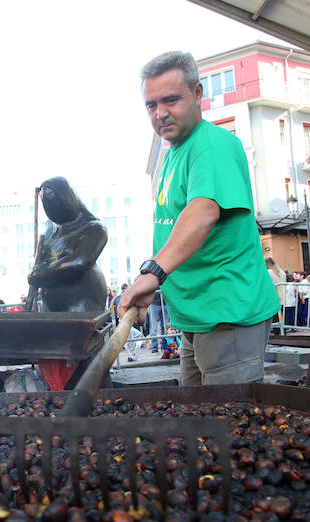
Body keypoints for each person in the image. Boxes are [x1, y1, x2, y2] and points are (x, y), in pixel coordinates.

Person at [118, 51, 278, 386]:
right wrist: (151, 289)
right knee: (196, 422)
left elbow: (203, 212)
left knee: (229, 428)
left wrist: (153, 274)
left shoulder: (213, 145)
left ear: (198, 94)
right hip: (196, 318)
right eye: (151, 104)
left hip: (227, 317)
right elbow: (174, 231)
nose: (160, 113)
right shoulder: (174, 153)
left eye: (171, 100)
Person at [27, 176, 108, 313]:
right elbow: (39, 257)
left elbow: (80, 261)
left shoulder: (94, 229)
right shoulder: (47, 227)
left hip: (82, 304)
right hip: (50, 307)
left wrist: (45, 273)